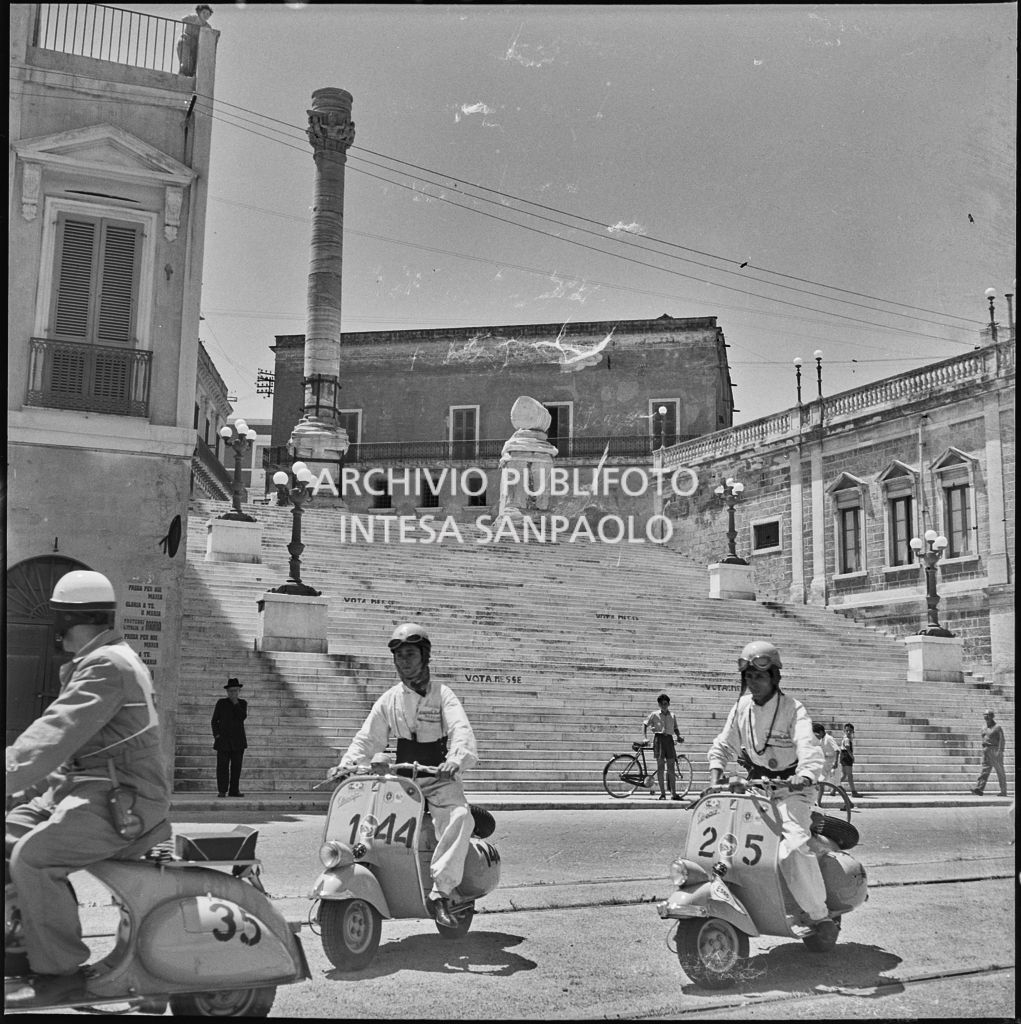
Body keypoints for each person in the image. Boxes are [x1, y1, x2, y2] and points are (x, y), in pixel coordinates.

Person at [5, 570, 171, 992]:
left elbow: (52, 738)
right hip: (90, 785)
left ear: (64, 623)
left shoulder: (106, 666)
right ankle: (23, 939)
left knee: (34, 858)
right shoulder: (104, 658)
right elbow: (72, 752)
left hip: (124, 797)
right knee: (8, 834)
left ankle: (59, 970)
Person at [327, 623, 477, 929]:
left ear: (425, 656)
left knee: (460, 816)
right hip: (400, 781)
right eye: (398, 656)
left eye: (409, 654)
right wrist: (346, 765)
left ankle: (442, 893)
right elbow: (367, 739)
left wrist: (455, 760)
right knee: (369, 824)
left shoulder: (442, 694)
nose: (403, 661)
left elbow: (461, 730)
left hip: (437, 778)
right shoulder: (389, 699)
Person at [707, 640, 836, 943]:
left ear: (775, 677)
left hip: (793, 789)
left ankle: (820, 916)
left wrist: (805, 775)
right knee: (729, 846)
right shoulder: (741, 707)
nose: (754, 682)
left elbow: (808, 744)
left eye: (760, 676)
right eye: (749, 676)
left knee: (791, 849)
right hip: (757, 786)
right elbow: (724, 744)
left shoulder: (793, 708)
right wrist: (716, 776)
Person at [643, 693, 684, 800]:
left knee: (671, 768)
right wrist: (645, 737)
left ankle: (673, 794)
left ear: (669, 704)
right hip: (659, 740)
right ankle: (662, 794)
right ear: (659, 704)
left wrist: (679, 736)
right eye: (661, 704)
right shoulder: (654, 714)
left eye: (665, 703)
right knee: (660, 768)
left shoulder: (672, 715)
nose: (663, 705)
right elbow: (645, 724)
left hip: (669, 741)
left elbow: (675, 728)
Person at [212, 678, 248, 798]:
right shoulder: (221, 703)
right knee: (222, 767)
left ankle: (234, 790)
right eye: (231, 691)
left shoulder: (242, 703)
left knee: (236, 767)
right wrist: (217, 735)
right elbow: (214, 721)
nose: (233, 693)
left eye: (235, 691)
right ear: (227, 692)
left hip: (238, 741)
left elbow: (242, 716)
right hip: (223, 741)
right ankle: (222, 790)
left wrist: (235, 703)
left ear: (239, 691)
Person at [971, 709, 1007, 796]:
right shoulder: (983, 727)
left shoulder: (997, 727)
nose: (986, 717)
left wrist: (1000, 751)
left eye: (988, 715)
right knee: (984, 771)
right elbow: (983, 738)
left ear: (992, 717)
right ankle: (979, 789)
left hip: (995, 751)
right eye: (985, 715)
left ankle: (1003, 791)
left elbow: (1002, 740)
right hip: (986, 751)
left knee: (1000, 771)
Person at [177, 4, 212, 76]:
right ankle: (182, 73)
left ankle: (191, 75)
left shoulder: (207, 27)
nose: (206, 15)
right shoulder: (193, 17)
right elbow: (183, 19)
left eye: (208, 14)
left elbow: (210, 37)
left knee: (193, 63)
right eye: (204, 12)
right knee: (185, 58)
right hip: (185, 40)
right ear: (199, 12)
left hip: (195, 45)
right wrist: (193, 19)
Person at [839, 723, 862, 798]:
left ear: (853, 731)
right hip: (846, 757)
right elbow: (847, 748)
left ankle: (834, 788)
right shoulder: (846, 739)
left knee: (844, 775)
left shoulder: (847, 738)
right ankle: (853, 791)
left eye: (850, 731)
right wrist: (852, 756)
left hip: (844, 757)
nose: (849, 732)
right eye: (847, 730)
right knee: (850, 776)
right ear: (844, 731)